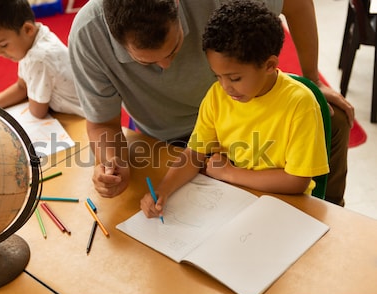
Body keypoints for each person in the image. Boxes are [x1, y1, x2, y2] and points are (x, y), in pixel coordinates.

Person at [68, 0, 352, 206]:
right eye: (145, 62)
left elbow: (297, 3)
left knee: (333, 118)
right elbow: (102, 123)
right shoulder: (88, 36)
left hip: (241, 126)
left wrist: (312, 81)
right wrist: (111, 163)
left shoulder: (225, 90)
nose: (167, 66)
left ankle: (332, 209)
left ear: (178, 6)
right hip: (171, 139)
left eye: (175, 47)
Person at [140, 0, 329, 218]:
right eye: (217, 76)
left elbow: (297, 180)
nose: (225, 87)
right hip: (233, 203)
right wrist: (163, 190)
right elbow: (194, 154)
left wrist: (230, 173)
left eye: (235, 78)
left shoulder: (300, 104)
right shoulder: (216, 96)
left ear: (269, 65)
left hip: (286, 208)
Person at [0, 0, 84, 119]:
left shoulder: (38, 58)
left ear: (28, 29)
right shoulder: (37, 35)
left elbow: (38, 112)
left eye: (3, 45)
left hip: (85, 115)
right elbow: (22, 87)